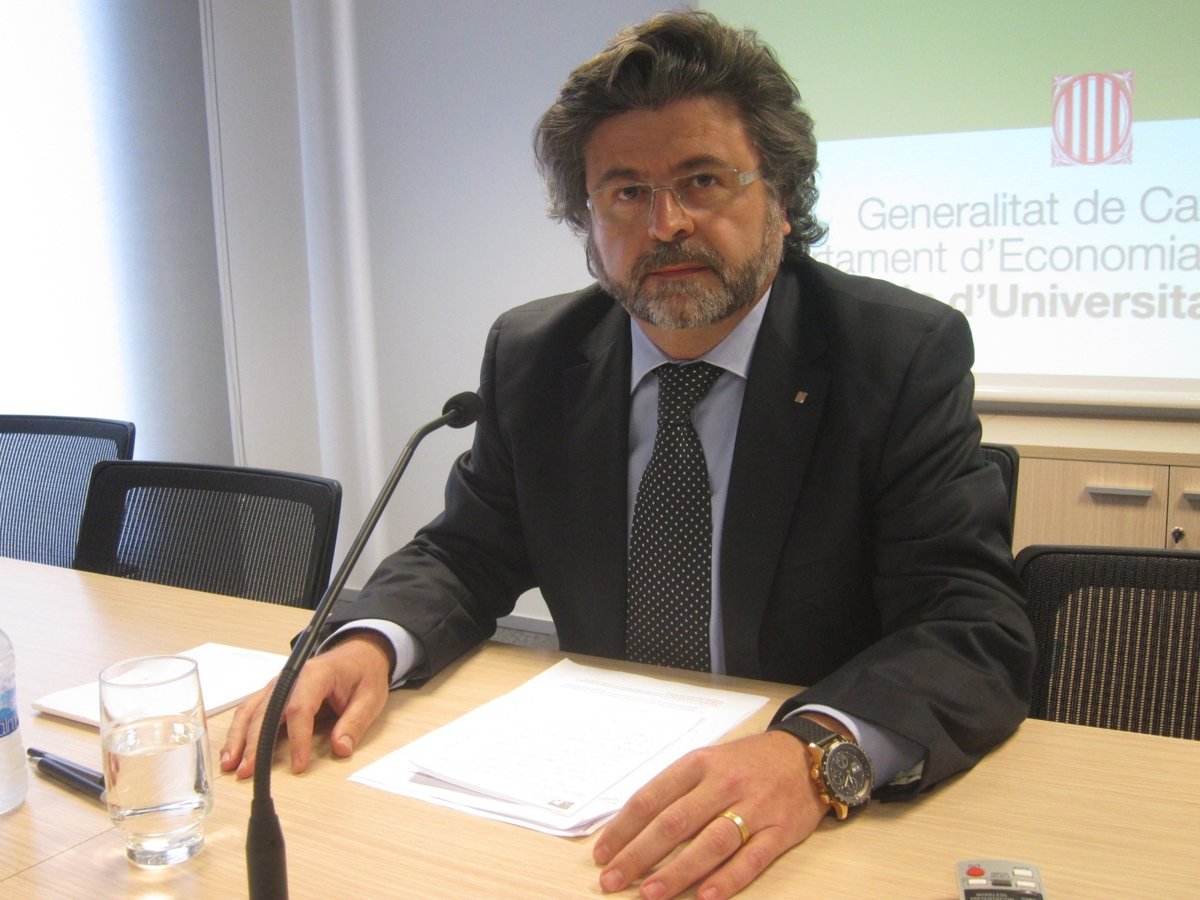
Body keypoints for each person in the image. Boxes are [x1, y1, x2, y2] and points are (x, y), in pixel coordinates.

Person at [223, 10, 1035, 899]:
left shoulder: (894, 353)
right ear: (586, 218)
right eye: (625, 193)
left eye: (703, 181)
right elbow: (466, 553)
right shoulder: (536, 354)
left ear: (780, 197)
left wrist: (815, 752)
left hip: (806, 826)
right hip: (588, 807)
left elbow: (971, 627)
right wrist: (370, 643)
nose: (666, 225)